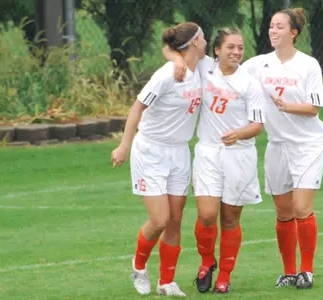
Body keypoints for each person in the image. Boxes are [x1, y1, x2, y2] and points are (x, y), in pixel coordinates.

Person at [163, 27, 266, 294]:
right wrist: (176, 60)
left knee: (230, 218)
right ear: (217, 50)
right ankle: (207, 261)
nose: (236, 52)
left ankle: (226, 276)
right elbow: (171, 47)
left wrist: (240, 133)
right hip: (208, 152)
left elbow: (258, 125)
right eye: (230, 47)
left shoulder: (249, 84)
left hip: (240, 155)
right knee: (207, 215)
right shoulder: (205, 67)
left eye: (240, 48)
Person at [111, 22, 206, 297]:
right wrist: (123, 147)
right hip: (151, 151)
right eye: (202, 37)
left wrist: (177, 55)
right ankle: (139, 266)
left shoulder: (200, 66)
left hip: (180, 152)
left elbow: (169, 48)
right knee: (160, 219)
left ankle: (167, 282)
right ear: (193, 43)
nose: (206, 40)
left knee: (175, 219)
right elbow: (136, 109)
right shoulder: (166, 76)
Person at [240, 7, 323, 289]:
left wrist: (287, 107)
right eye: (271, 26)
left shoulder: (308, 65)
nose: (273, 31)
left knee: (302, 208)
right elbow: (227, 74)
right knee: (283, 212)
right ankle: (289, 272)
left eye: (279, 27)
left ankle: (307, 271)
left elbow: (313, 108)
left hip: (308, 145)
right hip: (277, 146)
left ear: (293, 33)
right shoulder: (258, 65)